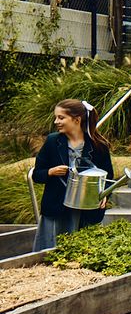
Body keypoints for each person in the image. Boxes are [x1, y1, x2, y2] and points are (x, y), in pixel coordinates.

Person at [32, 99, 114, 251]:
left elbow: (108, 178)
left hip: (86, 210)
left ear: (77, 120)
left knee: (86, 252)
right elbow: (37, 175)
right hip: (56, 208)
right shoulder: (52, 142)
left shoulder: (99, 145)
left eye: (61, 118)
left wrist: (105, 196)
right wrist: (50, 172)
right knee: (50, 254)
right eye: (56, 117)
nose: (56, 121)